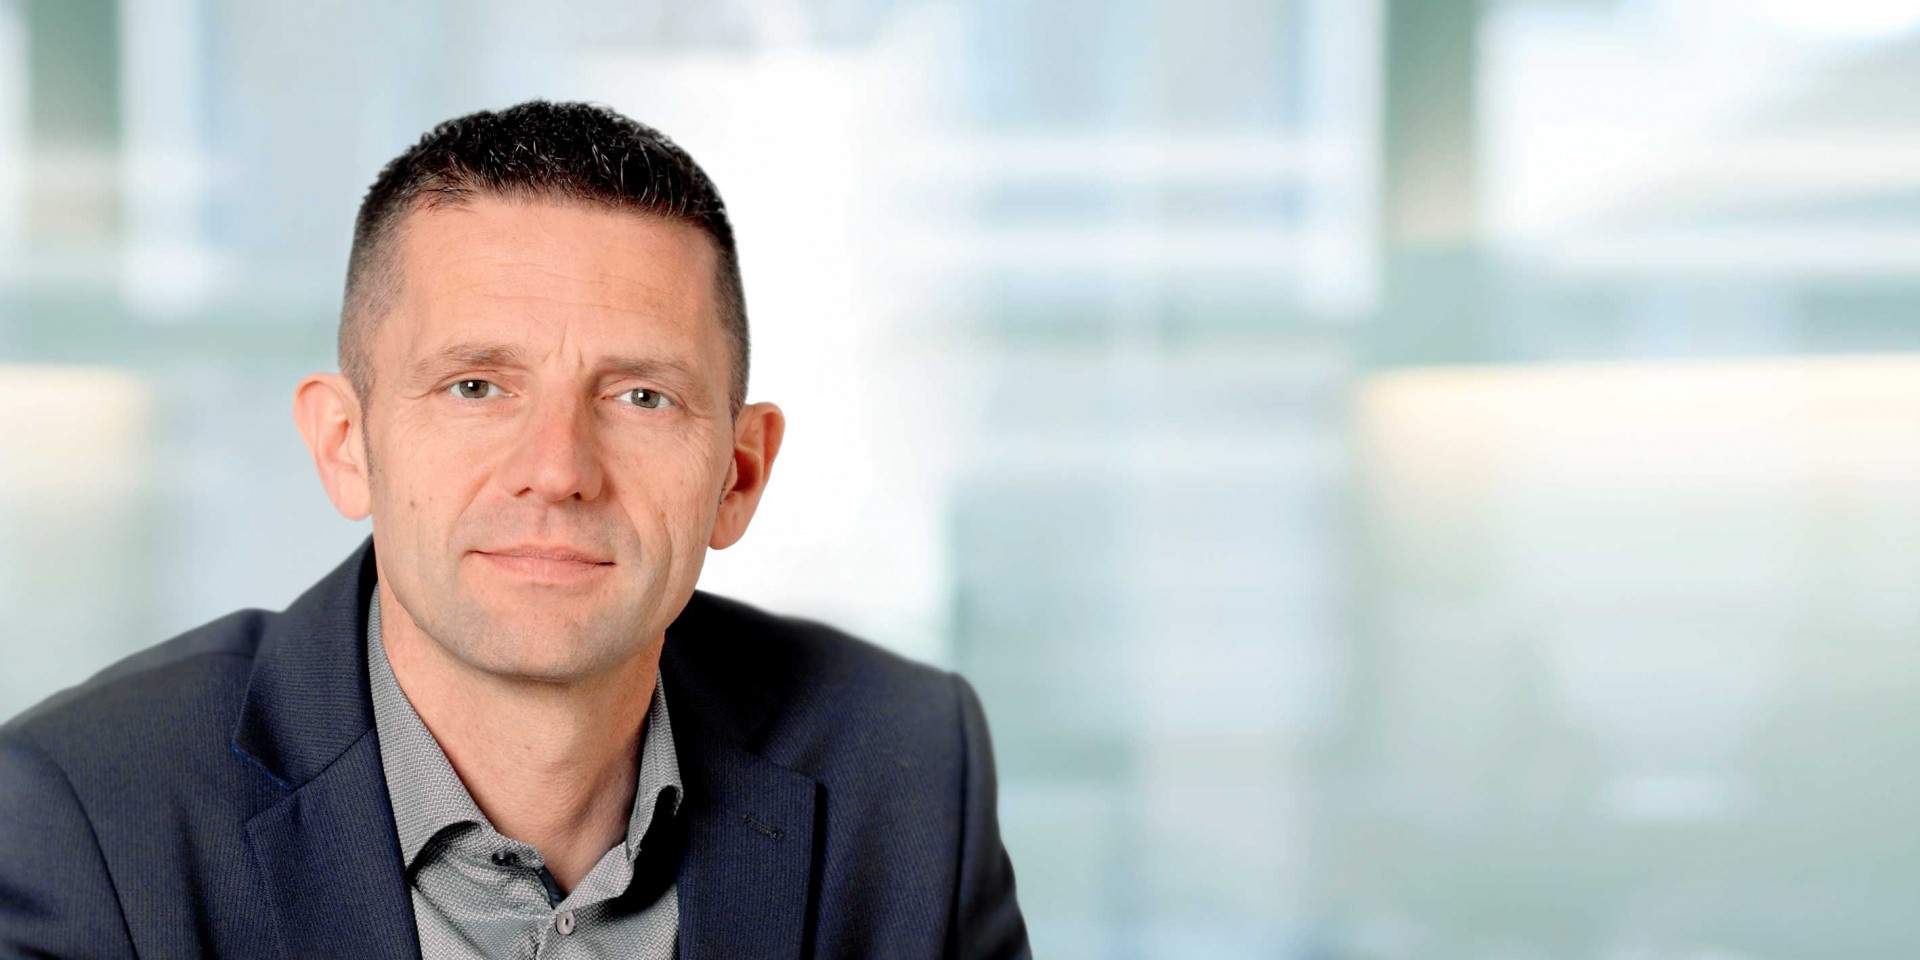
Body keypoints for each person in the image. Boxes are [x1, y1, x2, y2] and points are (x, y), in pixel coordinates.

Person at [0, 100, 1030, 959]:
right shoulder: (85, 819)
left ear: (739, 473)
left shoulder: (907, 769)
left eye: (641, 397)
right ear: (347, 445)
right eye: (477, 385)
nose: (559, 471)